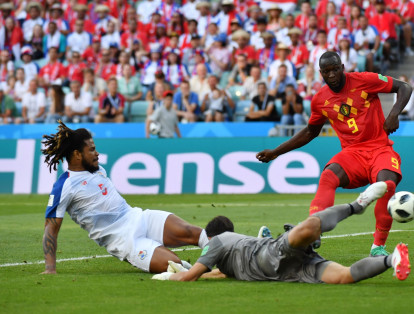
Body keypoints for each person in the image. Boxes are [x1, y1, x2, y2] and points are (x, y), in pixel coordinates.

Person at [256, 51, 413, 256]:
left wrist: (393, 114)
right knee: (328, 175)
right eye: (326, 71)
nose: (331, 75)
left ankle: (378, 247)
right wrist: (276, 152)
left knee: (387, 185)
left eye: (335, 69)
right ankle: (314, 230)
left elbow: (404, 87)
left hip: (379, 148)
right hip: (352, 154)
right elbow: (310, 132)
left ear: (342, 68)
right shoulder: (320, 100)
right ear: (320, 73)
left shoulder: (364, 80)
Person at [153, 182, 411, 283]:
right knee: (344, 277)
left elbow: (192, 277)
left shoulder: (216, 243)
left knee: (308, 227)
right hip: (290, 272)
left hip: (269, 256)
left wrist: (168, 278)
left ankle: (359, 204)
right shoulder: (226, 260)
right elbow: (216, 274)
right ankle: (392, 260)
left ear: (209, 238)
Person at [41, 121, 209, 274]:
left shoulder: (98, 170)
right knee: (175, 265)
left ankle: (225, 261)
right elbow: (51, 228)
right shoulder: (64, 186)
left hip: (140, 217)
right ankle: (204, 271)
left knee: (196, 233)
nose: (97, 153)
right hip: (125, 240)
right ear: (77, 154)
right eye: (91, 149)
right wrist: (50, 268)